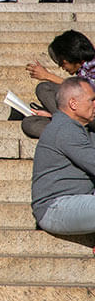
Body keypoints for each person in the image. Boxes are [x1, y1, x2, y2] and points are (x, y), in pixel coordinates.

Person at [31, 77, 95, 241]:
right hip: (56, 207)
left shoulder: (81, 129)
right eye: (92, 100)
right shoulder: (65, 129)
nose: (94, 104)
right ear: (73, 104)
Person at [21, 30, 95, 139]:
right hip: (81, 120)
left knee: (44, 88)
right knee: (30, 123)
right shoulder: (81, 71)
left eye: (62, 62)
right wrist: (53, 115)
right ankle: (75, 133)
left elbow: (86, 90)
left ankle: (72, 132)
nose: (62, 67)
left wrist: (48, 76)